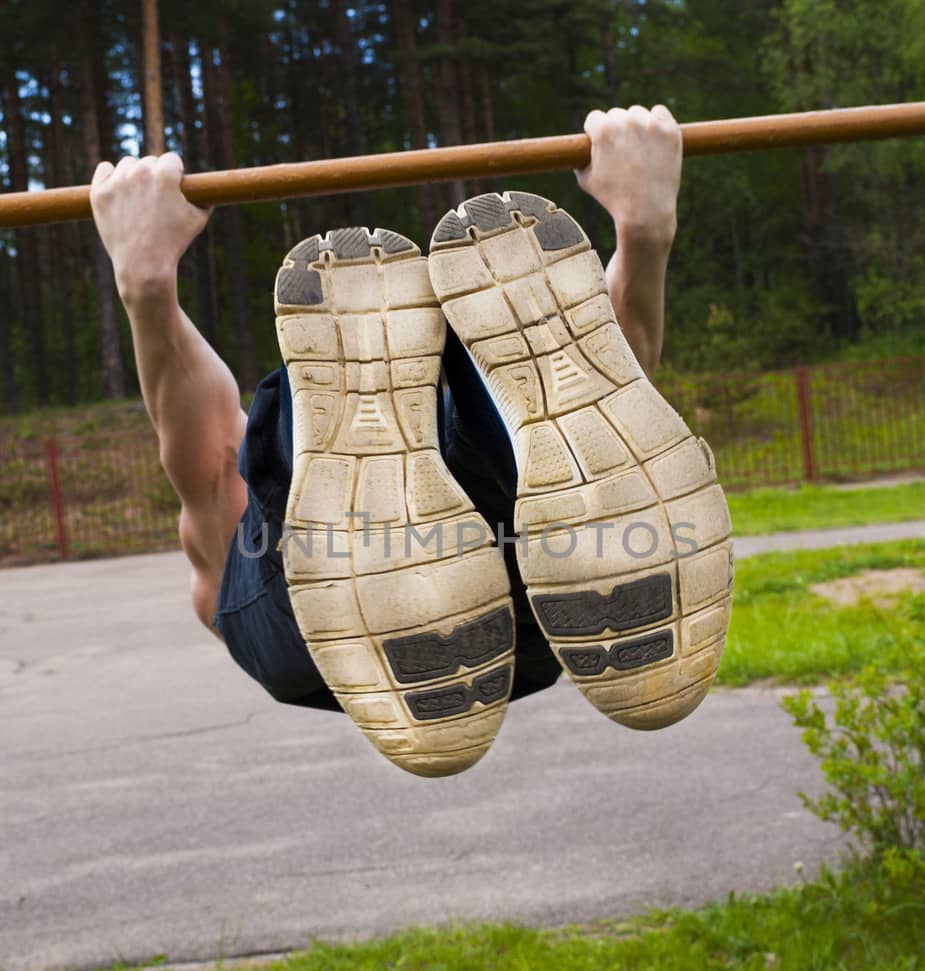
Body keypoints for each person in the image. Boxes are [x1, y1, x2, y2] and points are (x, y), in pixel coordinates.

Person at [89, 105, 732, 779]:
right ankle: (474, 423)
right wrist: (644, 230)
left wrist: (145, 284)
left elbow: (215, 465)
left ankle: (355, 457)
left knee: (276, 506)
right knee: (532, 456)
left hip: (304, 642)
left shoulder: (223, 590)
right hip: (549, 631)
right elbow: (616, 438)